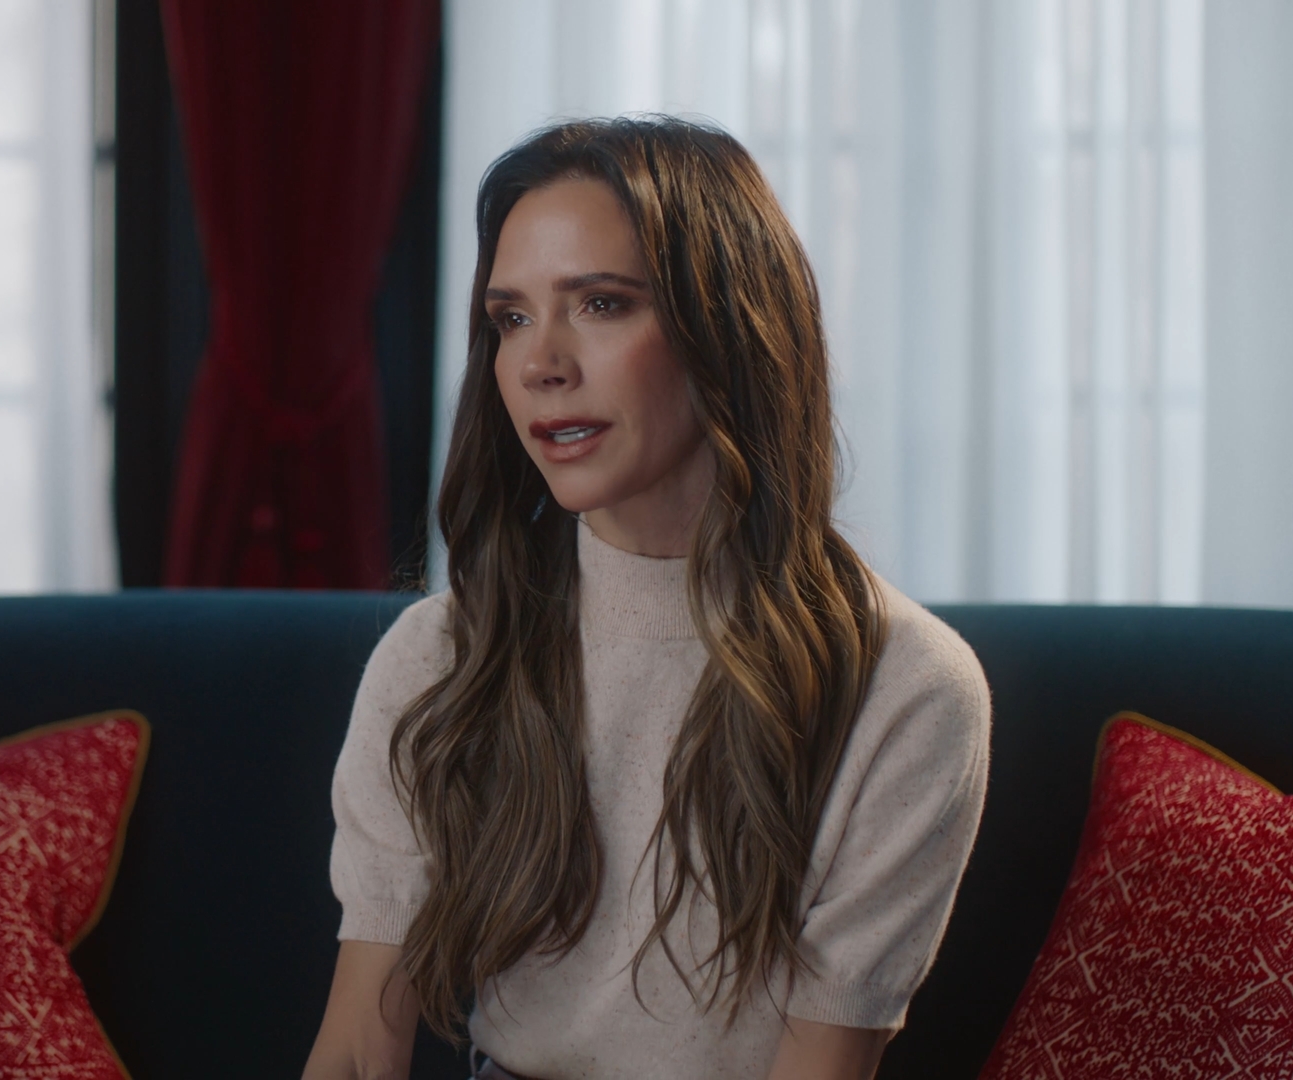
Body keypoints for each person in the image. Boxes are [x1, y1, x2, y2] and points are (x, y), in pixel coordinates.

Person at [303, 116, 990, 1080]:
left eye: (601, 304)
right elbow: (354, 1052)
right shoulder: (440, 656)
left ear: (728, 330)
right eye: (510, 318)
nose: (539, 363)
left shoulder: (907, 688)